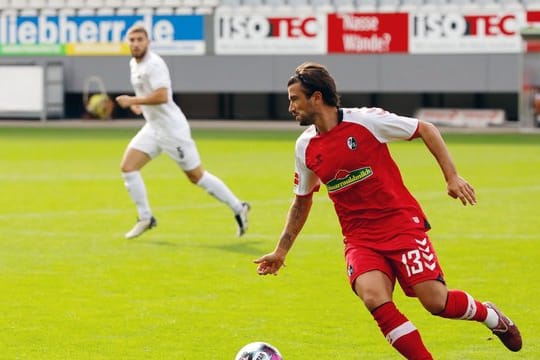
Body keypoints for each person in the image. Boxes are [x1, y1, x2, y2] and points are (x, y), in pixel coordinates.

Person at [254, 62, 522, 358]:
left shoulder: (366, 121)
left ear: (316, 97)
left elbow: (426, 129)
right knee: (373, 298)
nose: (290, 106)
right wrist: (281, 251)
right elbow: (302, 200)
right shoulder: (304, 147)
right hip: (359, 238)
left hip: (401, 225)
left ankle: (491, 317)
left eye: (294, 98)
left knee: (436, 303)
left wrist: (451, 177)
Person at [115, 25, 249, 239]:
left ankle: (238, 206)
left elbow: (162, 96)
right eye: (132, 40)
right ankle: (145, 218)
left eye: (140, 39)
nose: (136, 43)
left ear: (148, 42)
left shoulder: (154, 64)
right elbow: (148, 96)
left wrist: (133, 100)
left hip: (172, 130)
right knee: (128, 167)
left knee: (196, 176)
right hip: (153, 128)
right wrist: (139, 106)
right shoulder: (134, 63)